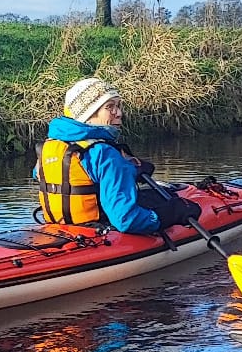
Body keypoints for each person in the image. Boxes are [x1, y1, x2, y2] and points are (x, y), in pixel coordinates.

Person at [36, 77, 201, 234]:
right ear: (87, 114)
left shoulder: (49, 147)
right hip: (100, 230)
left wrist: (128, 169)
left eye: (118, 106)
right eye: (110, 107)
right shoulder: (105, 153)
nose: (119, 113)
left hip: (62, 229)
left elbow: (65, 175)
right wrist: (171, 214)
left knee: (152, 195)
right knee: (169, 204)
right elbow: (126, 220)